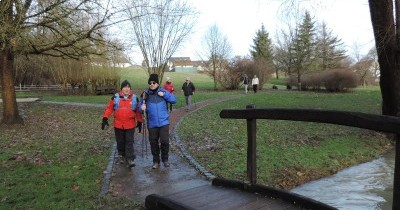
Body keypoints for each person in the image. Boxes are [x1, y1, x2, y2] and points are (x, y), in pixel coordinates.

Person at [101, 80, 142, 168]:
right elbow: (109, 108)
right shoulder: (115, 97)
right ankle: (122, 155)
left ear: (130, 88)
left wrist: (139, 121)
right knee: (120, 142)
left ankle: (130, 159)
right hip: (118, 125)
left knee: (129, 142)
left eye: (128, 87)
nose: (126, 89)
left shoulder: (135, 98)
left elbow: (138, 111)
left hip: (130, 125)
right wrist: (105, 118)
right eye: (125, 87)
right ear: (121, 89)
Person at [140, 74, 176, 169]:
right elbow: (140, 108)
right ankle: (156, 161)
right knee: (153, 142)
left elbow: (174, 100)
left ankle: (165, 159)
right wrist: (141, 108)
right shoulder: (145, 94)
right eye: (150, 83)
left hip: (164, 122)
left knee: (164, 141)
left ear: (157, 83)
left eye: (153, 82)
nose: (152, 84)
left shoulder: (163, 91)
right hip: (152, 123)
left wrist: (164, 95)